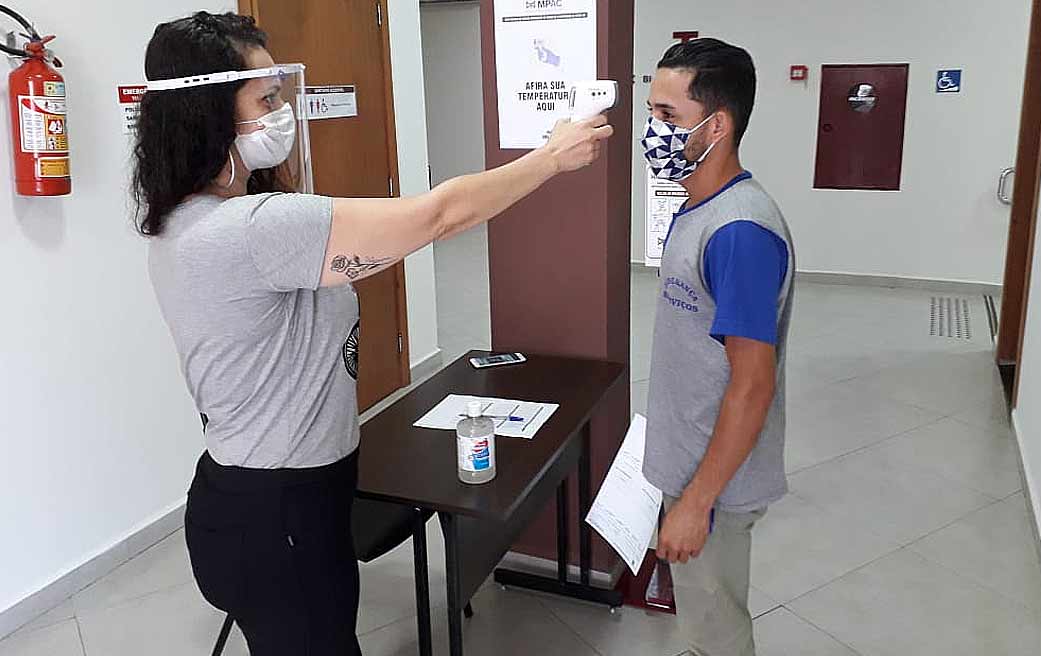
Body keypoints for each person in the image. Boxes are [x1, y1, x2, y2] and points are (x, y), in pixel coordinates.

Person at [132, 12, 611, 656]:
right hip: (276, 514)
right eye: (266, 98)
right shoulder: (253, 229)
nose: (283, 113)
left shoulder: (185, 217)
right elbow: (440, 215)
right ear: (210, 111)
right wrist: (551, 158)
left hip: (260, 497)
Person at [640, 38, 795, 656]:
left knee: (717, 629)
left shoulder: (741, 233)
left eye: (668, 118)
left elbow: (753, 384)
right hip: (688, 461)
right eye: (651, 113)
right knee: (700, 620)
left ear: (718, 125)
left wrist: (696, 503)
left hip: (716, 484)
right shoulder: (696, 209)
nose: (653, 131)